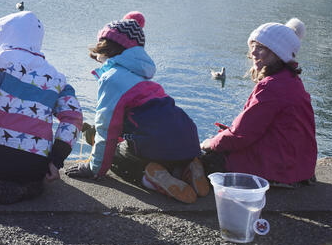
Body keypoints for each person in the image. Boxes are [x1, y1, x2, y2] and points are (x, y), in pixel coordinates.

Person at [65, 12, 207, 204]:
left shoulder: (112, 78)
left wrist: (94, 169)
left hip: (156, 140)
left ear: (106, 45)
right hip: (187, 136)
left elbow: (107, 129)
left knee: (116, 156)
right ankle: (186, 168)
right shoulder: (143, 78)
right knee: (156, 147)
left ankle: (151, 179)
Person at [0, 11, 81, 205]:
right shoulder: (57, 78)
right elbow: (73, 118)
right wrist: (56, 159)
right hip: (36, 163)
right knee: (35, 182)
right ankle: (25, 188)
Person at [201, 19, 317, 186]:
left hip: (278, 168)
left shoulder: (272, 87)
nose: (253, 53)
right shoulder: (291, 81)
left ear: (279, 53)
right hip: (298, 166)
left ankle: (163, 180)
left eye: (261, 48)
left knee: (204, 159)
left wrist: (210, 143)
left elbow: (241, 135)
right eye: (253, 46)